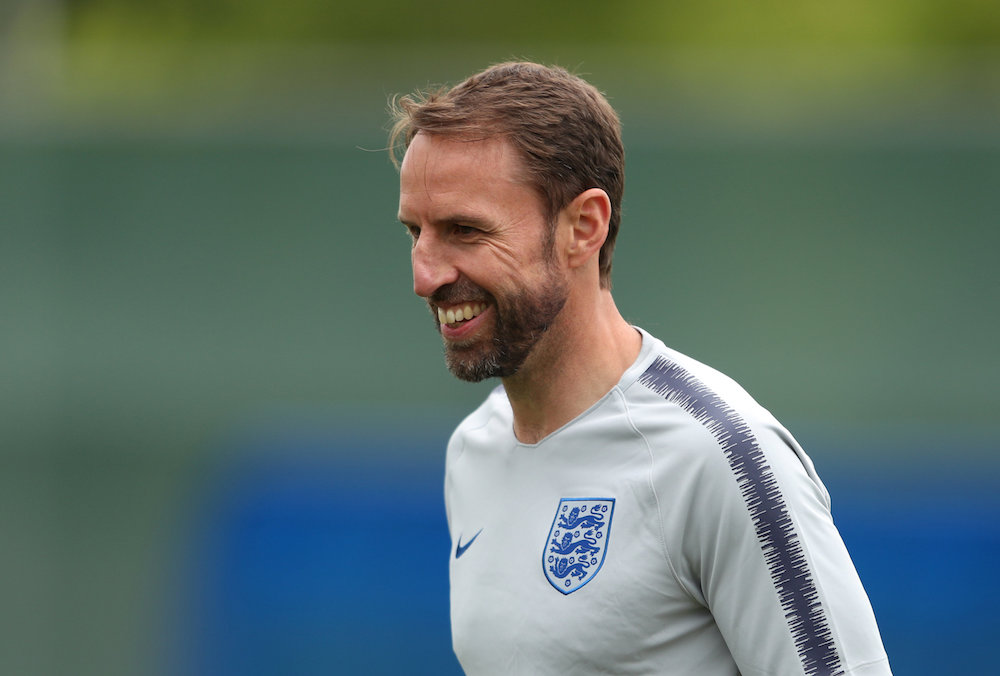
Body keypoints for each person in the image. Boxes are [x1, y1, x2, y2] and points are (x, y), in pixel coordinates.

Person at [390, 61, 891, 675]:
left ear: (584, 226)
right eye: (416, 232)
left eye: (465, 231)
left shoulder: (718, 457)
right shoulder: (474, 449)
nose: (425, 275)